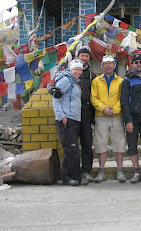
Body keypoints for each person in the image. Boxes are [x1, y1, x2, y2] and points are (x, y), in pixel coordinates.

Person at [90, 55, 126, 183]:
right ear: (102, 66)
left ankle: (120, 171)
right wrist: (103, 108)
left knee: (119, 143)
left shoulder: (121, 81)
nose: (108, 66)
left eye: (111, 63)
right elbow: (93, 98)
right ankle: (101, 171)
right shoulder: (96, 81)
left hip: (117, 116)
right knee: (101, 144)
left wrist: (114, 110)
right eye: (106, 64)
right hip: (101, 116)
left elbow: (123, 98)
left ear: (114, 65)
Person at [120, 53, 141, 183]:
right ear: (132, 64)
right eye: (136, 62)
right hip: (133, 118)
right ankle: (136, 172)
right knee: (132, 146)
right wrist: (128, 120)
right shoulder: (127, 80)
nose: (138, 64)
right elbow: (124, 102)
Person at [52, 59, 84, 186]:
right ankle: (70, 177)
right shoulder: (66, 81)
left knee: (71, 149)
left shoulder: (75, 82)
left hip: (74, 118)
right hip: (67, 119)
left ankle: (71, 176)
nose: (78, 72)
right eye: (75, 69)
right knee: (72, 149)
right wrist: (61, 116)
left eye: (80, 69)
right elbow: (56, 98)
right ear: (71, 69)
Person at [76, 46, 96, 184]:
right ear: (77, 57)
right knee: (72, 144)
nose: (84, 58)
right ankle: (73, 171)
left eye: (86, 56)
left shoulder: (92, 75)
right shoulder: (69, 72)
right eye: (82, 56)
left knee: (87, 143)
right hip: (71, 112)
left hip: (86, 111)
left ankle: (86, 171)